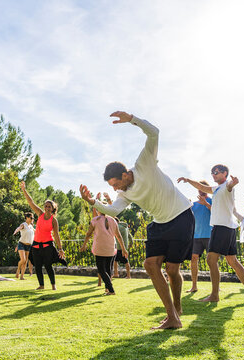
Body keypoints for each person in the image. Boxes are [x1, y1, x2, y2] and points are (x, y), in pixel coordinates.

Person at [80, 111, 194, 330]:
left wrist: (132, 119)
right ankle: (172, 316)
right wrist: (92, 201)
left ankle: (177, 308)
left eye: (115, 184)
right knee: (150, 264)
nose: (114, 189)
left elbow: (154, 133)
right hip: (159, 223)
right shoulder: (124, 194)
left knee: (172, 270)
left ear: (125, 175)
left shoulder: (144, 163)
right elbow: (113, 211)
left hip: (181, 215)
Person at [178, 165, 244, 303]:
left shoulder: (226, 185)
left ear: (225, 173)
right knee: (232, 261)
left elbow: (231, 185)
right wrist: (188, 179)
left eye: (216, 172)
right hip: (229, 228)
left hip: (221, 227)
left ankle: (214, 295)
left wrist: (234, 182)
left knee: (211, 260)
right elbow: (203, 187)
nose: (213, 175)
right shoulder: (217, 189)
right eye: (212, 173)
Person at [20, 181, 65, 290]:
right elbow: (31, 202)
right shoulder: (40, 214)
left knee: (48, 266)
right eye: (45, 206)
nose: (47, 208)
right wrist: (24, 190)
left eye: (49, 206)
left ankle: (53, 285)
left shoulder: (54, 221)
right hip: (36, 245)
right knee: (38, 266)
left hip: (48, 246)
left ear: (53, 208)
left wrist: (60, 249)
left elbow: (57, 235)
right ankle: (41, 285)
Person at [80, 205, 128, 295]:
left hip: (100, 248)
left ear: (99, 210)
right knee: (108, 269)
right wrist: (124, 249)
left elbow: (88, 234)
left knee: (102, 270)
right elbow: (119, 236)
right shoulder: (113, 220)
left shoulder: (95, 220)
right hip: (110, 248)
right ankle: (107, 289)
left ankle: (111, 290)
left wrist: (84, 245)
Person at [186, 181, 212, 293]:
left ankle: (216, 286)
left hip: (210, 235)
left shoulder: (213, 201)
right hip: (196, 236)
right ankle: (194, 286)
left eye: (202, 188)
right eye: (199, 189)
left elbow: (216, 213)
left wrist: (206, 204)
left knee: (212, 261)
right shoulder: (194, 205)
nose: (200, 190)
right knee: (193, 259)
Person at [102, 192, 132, 279]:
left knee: (116, 261)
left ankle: (116, 274)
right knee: (123, 261)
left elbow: (116, 236)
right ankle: (126, 275)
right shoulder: (125, 227)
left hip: (117, 247)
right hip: (123, 246)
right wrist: (130, 243)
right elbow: (130, 236)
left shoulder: (117, 226)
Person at [13, 212, 35, 280]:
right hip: (22, 244)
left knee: (25, 262)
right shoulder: (24, 224)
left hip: (29, 245)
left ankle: (22, 276)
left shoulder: (31, 226)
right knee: (23, 260)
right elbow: (19, 228)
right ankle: (18, 270)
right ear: (27, 218)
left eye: (33, 218)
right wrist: (16, 231)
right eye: (31, 218)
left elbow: (36, 231)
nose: (32, 219)